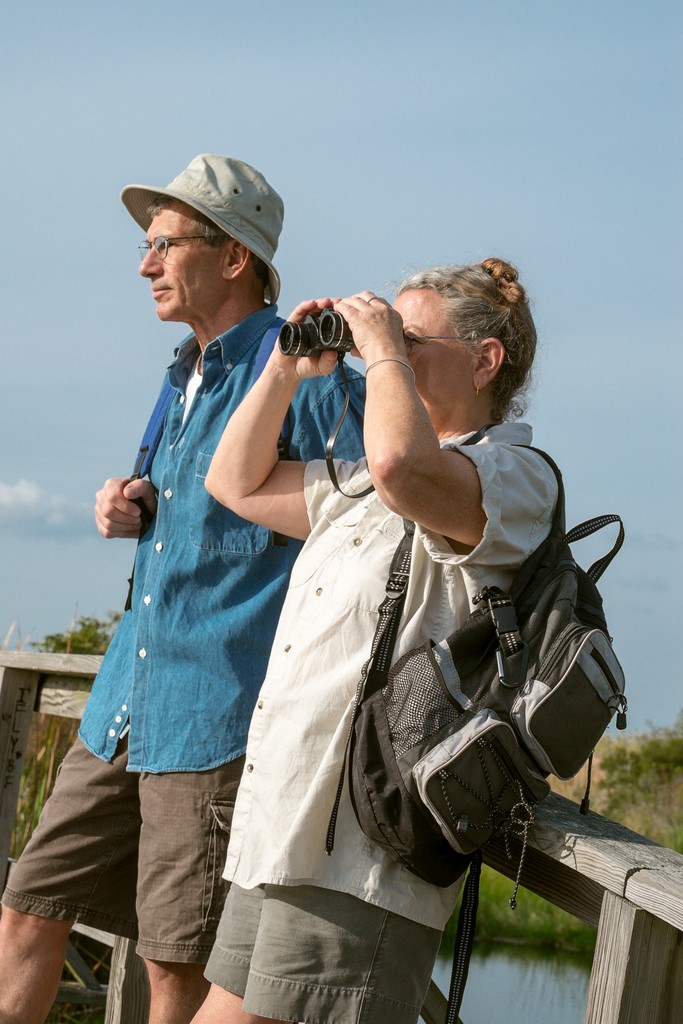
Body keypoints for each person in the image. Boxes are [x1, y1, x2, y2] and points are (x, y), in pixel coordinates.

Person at [0, 154, 365, 1024]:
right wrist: (131, 504)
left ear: (232, 256)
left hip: (213, 714)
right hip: (122, 701)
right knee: (24, 911)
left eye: (163, 244)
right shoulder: (181, 374)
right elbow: (201, 516)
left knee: (176, 970)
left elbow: (371, 524)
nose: (144, 264)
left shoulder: (310, 381)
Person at [191, 258, 560, 1024]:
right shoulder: (359, 484)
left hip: (363, 847)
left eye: (409, 335)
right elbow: (235, 483)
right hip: (287, 825)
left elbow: (404, 466)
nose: (377, 349)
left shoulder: (513, 476)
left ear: (485, 360)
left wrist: (381, 349)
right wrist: (286, 368)